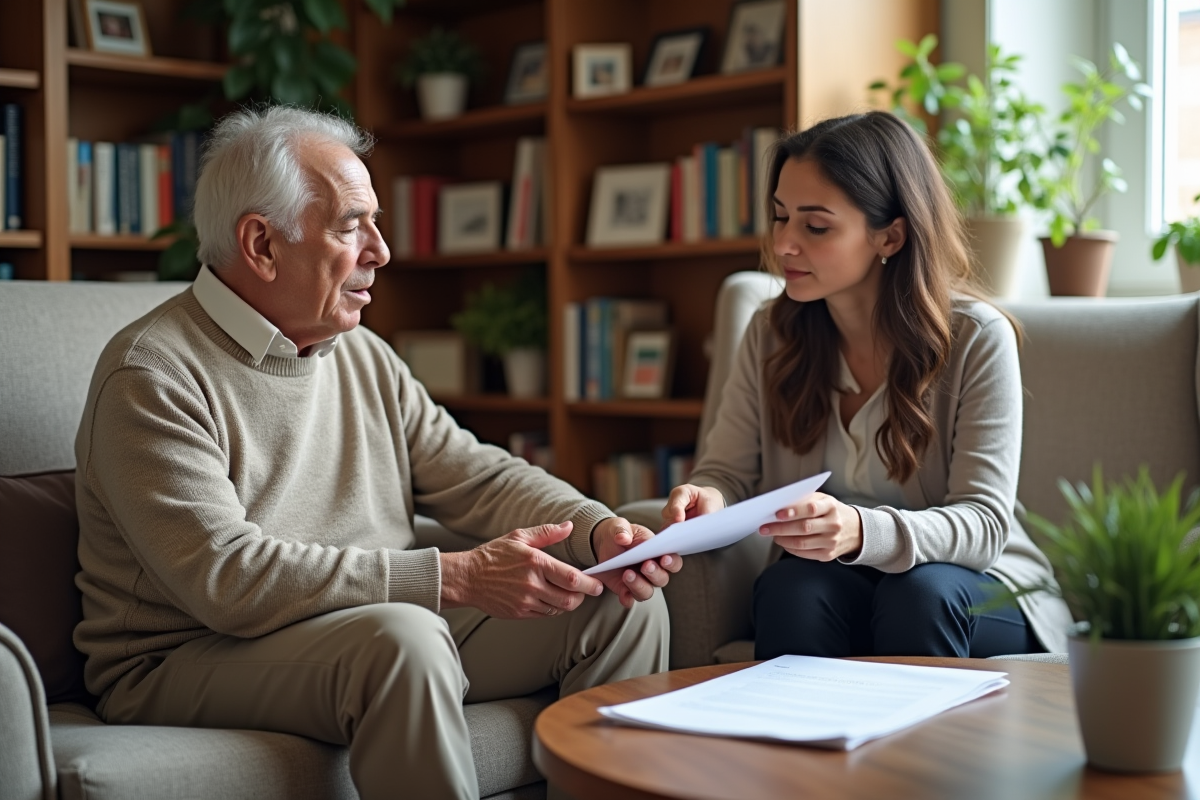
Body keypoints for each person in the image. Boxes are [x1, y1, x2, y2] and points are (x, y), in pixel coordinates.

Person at [73, 106, 679, 800]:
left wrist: (599, 529)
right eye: (350, 225)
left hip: (366, 628)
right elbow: (226, 579)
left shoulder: (359, 353)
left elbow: (477, 475)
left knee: (617, 602)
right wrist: (453, 577)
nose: (381, 251)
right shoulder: (152, 373)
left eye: (376, 223)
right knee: (405, 640)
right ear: (262, 244)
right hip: (187, 656)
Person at [661, 112, 1072, 660]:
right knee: (789, 590)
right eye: (780, 217)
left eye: (815, 226)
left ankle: (926, 749)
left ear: (890, 235)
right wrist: (707, 496)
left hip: (978, 584)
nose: (784, 244)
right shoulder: (771, 332)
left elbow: (983, 523)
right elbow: (729, 472)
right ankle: (791, 745)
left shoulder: (976, 338)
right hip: (843, 582)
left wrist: (861, 530)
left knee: (920, 594)